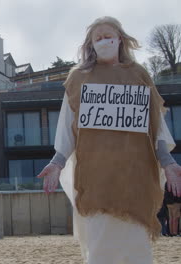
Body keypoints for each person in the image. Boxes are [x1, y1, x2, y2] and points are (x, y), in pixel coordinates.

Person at [37, 16, 181, 264]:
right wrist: (57, 162)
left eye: (108, 36)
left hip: (135, 178)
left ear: (120, 39)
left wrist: (168, 164)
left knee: (136, 250)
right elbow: (68, 129)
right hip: (95, 179)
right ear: (90, 45)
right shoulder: (78, 78)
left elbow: (155, 127)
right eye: (98, 38)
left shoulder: (139, 75)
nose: (104, 41)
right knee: (100, 249)